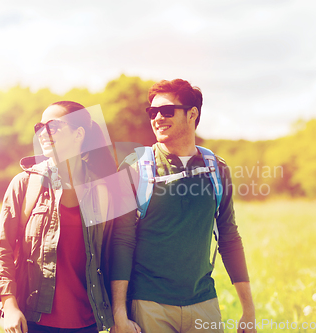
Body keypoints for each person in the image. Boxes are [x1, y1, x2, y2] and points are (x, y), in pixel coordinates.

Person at [110, 79, 256, 333]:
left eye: (166, 111)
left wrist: (249, 310)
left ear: (192, 114)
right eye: (152, 112)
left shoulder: (216, 168)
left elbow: (229, 237)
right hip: (148, 304)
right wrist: (119, 314)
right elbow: (122, 240)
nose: (157, 118)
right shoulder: (135, 166)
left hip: (204, 303)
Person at [0, 101, 115, 333]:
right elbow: (3, 248)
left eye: (54, 126)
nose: (43, 133)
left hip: (88, 322)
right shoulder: (25, 184)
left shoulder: (102, 189)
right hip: (33, 320)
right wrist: (9, 305)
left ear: (79, 134)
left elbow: (113, 256)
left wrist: (119, 312)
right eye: (40, 126)